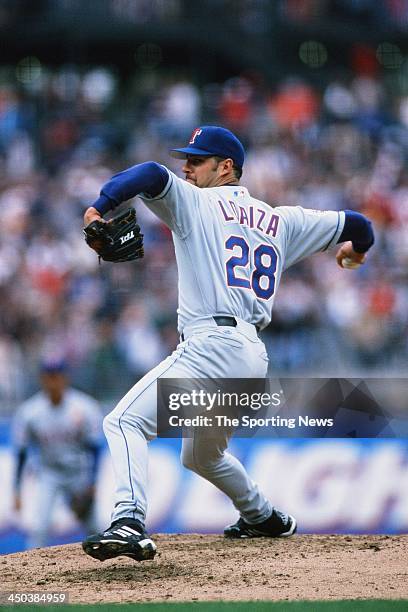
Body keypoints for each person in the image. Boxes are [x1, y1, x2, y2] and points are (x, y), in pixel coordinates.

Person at [81, 126, 374, 562]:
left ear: (226, 168)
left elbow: (146, 173)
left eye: (197, 161)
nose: (187, 167)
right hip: (251, 357)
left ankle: (128, 520)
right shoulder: (282, 220)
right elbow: (359, 224)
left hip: (211, 346)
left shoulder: (194, 201)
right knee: (202, 456)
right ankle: (264, 516)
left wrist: (97, 207)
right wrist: (356, 253)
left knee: (123, 423)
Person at [13, 359, 103, 549]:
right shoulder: (30, 412)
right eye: (49, 377)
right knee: (39, 527)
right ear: (42, 379)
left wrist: (92, 482)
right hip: (49, 473)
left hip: (78, 472)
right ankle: (32, 572)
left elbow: (95, 448)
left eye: (57, 376)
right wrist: (17, 490)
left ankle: (107, 567)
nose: (53, 381)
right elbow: (21, 453)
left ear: (65, 378)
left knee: (94, 527)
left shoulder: (84, 407)